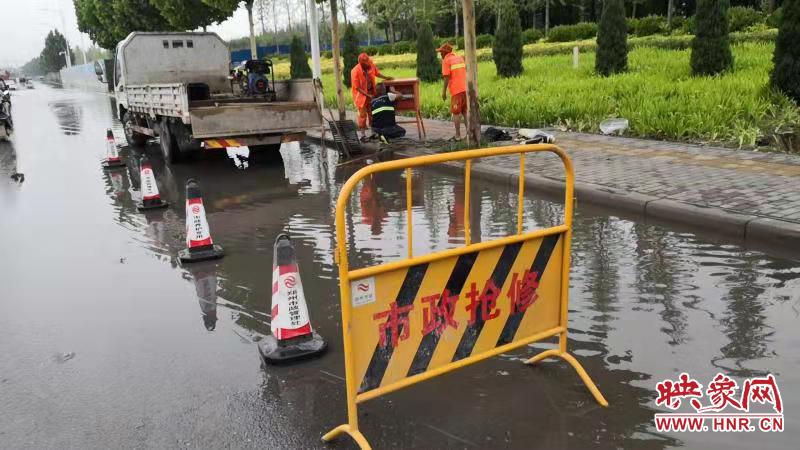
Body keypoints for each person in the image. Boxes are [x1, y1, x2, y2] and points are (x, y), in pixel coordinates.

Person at [350, 53, 393, 141]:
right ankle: (362, 136)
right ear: (361, 63)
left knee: (372, 113)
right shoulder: (355, 71)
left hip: (371, 93)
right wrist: (368, 95)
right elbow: (357, 88)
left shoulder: (371, 64)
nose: (369, 64)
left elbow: (377, 73)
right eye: (366, 63)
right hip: (361, 96)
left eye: (369, 62)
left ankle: (373, 133)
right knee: (362, 115)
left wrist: (386, 77)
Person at [436, 43, 467, 140]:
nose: (440, 54)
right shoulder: (460, 58)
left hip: (456, 91)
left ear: (445, 53)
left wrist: (444, 92)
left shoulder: (446, 60)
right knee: (465, 112)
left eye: (441, 52)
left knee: (456, 112)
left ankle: (458, 135)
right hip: (466, 89)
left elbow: (446, 78)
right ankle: (469, 134)